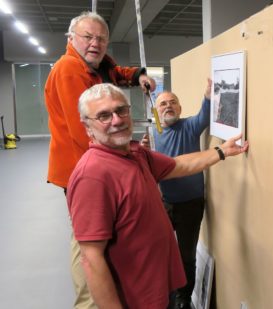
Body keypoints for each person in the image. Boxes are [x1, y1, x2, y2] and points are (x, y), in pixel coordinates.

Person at [66, 83, 248, 308]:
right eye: (104, 115)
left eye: (121, 110)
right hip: (135, 299)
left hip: (159, 290)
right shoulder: (92, 175)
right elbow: (91, 260)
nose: (116, 120)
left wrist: (221, 151)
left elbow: (178, 165)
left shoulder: (135, 154)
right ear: (87, 126)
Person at [44, 11, 156, 308]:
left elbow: (115, 72)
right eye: (88, 37)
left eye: (101, 38)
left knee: (105, 235)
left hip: (96, 164)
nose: (95, 43)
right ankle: (90, 302)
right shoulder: (69, 69)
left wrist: (137, 75)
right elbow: (85, 129)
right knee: (90, 244)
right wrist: (127, 156)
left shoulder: (96, 63)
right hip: (83, 168)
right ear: (72, 39)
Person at [141, 80, 211, 309]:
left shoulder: (189, 125)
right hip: (164, 203)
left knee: (186, 256)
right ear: (156, 111)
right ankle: (164, 291)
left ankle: (183, 299)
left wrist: (208, 96)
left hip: (191, 205)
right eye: (162, 104)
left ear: (180, 109)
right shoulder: (156, 131)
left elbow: (204, 115)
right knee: (159, 250)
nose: (168, 106)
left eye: (173, 103)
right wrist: (145, 148)